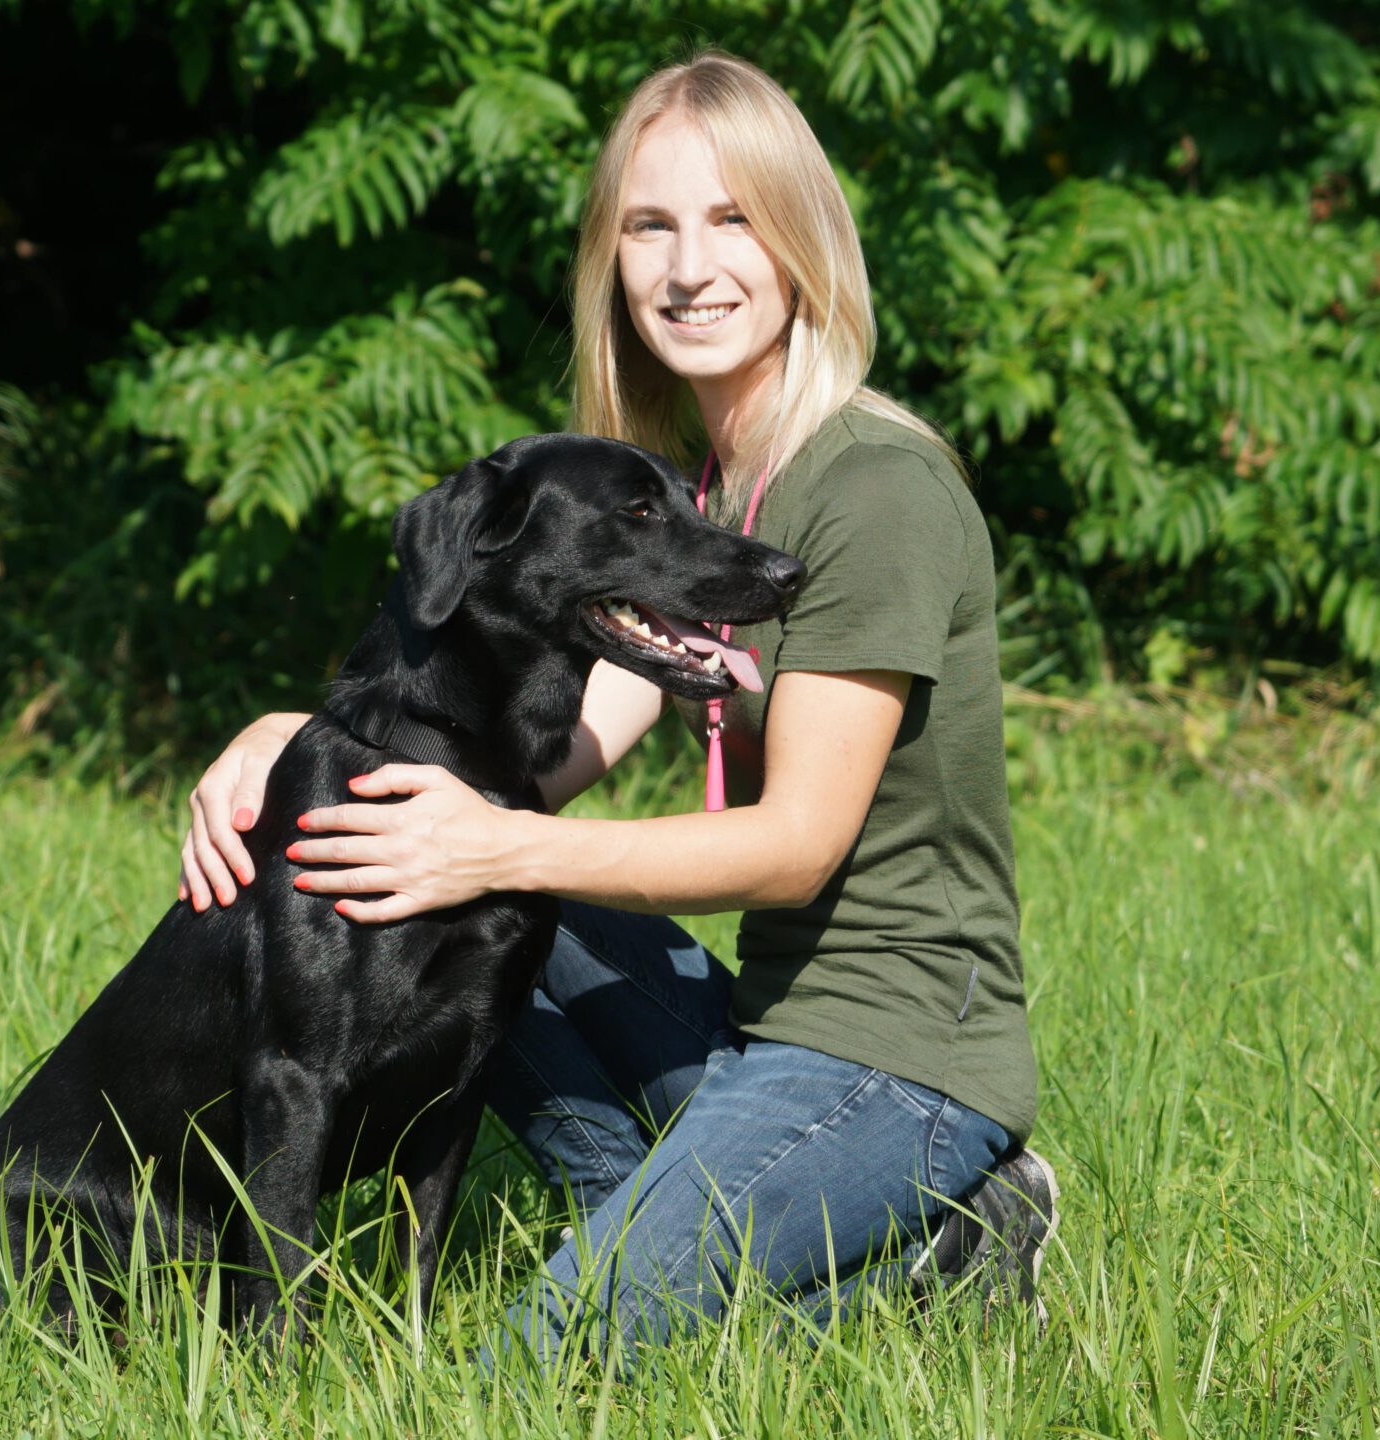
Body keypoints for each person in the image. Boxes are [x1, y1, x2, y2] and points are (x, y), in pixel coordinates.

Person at [175, 51, 1053, 1362]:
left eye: (732, 219)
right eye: (651, 225)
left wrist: (500, 844)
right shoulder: (697, 494)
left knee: (539, 1360)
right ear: (613, 257)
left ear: (805, 238)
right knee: (413, 878)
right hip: (757, 1031)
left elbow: (794, 843)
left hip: (898, 1058)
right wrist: (296, 749)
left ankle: (949, 1211)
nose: (689, 266)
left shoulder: (875, 492)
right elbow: (543, 761)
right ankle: (845, 1240)